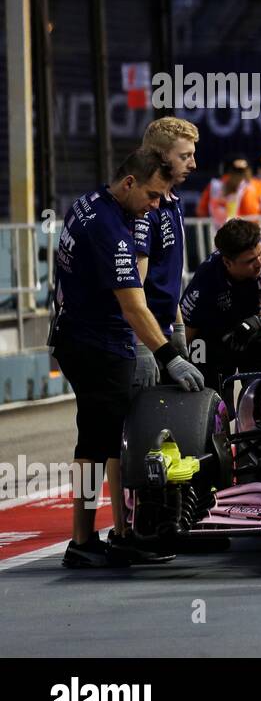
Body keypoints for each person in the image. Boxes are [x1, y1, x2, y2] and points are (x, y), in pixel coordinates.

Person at [50, 150, 206, 568]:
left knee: (98, 443)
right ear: (130, 183)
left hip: (76, 336)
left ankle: (107, 535)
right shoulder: (111, 230)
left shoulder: (87, 204)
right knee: (103, 444)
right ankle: (89, 541)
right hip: (98, 345)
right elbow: (134, 307)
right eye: (153, 196)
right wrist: (170, 355)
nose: (155, 206)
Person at [180, 218, 261, 407]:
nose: (259, 263)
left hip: (258, 328)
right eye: (250, 261)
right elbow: (185, 331)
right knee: (209, 404)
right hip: (213, 339)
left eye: (259, 254)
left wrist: (258, 321)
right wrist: (173, 364)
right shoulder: (206, 279)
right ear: (228, 262)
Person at [131, 117, 200, 389]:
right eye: (185, 156)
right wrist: (142, 344)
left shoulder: (173, 202)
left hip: (162, 333)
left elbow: (169, 276)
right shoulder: (145, 209)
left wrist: (178, 323)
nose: (193, 164)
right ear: (159, 158)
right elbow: (132, 283)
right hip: (144, 339)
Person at [196, 153, 259, 229]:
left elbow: (252, 216)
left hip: (238, 235)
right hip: (219, 235)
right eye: (236, 171)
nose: (239, 175)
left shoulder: (248, 188)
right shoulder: (214, 186)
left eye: (242, 171)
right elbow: (201, 211)